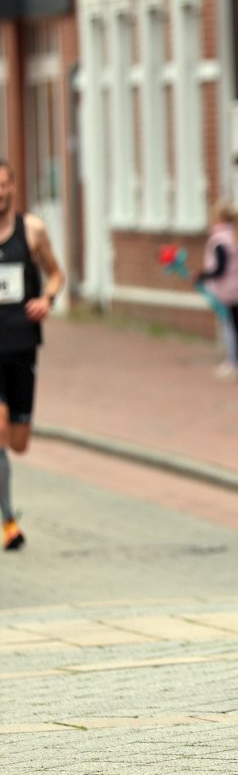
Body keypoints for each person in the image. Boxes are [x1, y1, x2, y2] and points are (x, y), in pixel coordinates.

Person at [0, 159, 65, 550]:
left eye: (3, 184)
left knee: (18, 442)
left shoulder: (33, 230)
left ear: (12, 187)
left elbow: (56, 273)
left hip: (23, 344)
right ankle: (8, 522)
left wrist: (47, 299)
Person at [196, 200, 238, 380]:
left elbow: (220, 268)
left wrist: (204, 276)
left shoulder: (219, 240)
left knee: (229, 328)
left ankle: (233, 362)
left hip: (226, 290)